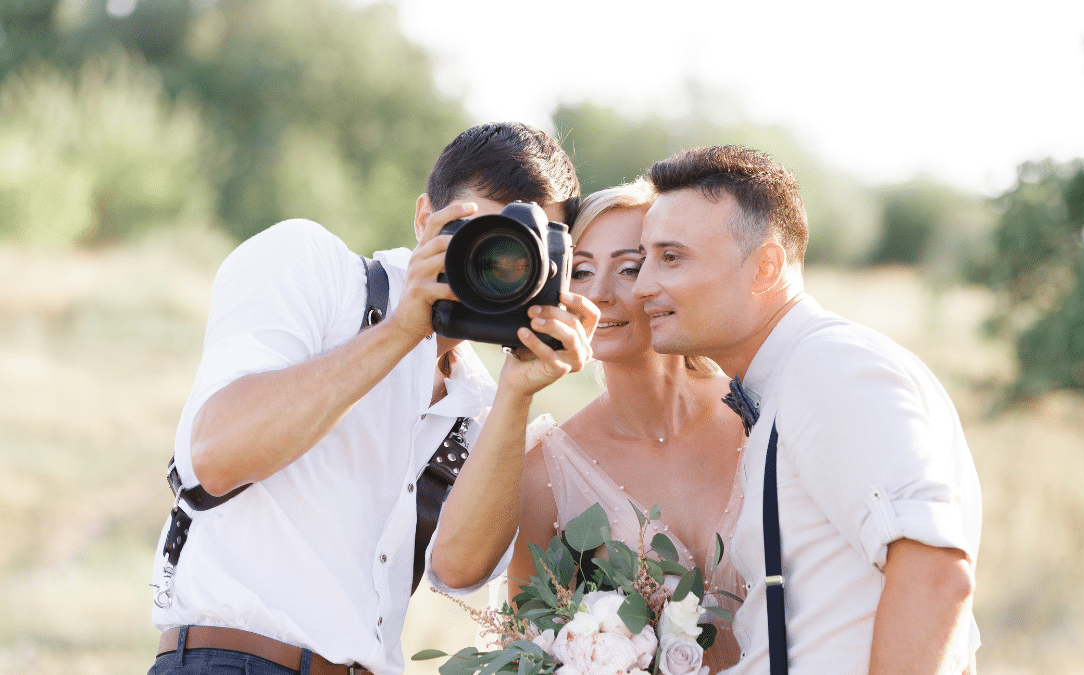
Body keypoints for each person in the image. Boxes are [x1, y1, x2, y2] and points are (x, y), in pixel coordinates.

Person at [147, 122, 598, 675]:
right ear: (422, 216)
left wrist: (516, 394)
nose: (496, 262)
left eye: (520, 250)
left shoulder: (482, 396)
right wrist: (401, 331)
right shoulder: (313, 265)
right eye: (477, 230)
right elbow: (213, 457)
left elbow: (459, 572)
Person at [632, 146, 982, 675]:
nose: (641, 287)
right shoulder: (789, 378)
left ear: (765, 267)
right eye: (645, 259)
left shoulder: (830, 367)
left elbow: (934, 573)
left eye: (672, 257)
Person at [506, 179, 749, 671]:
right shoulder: (546, 472)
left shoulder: (759, 413)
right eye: (582, 270)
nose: (599, 294)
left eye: (630, 268)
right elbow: (525, 650)